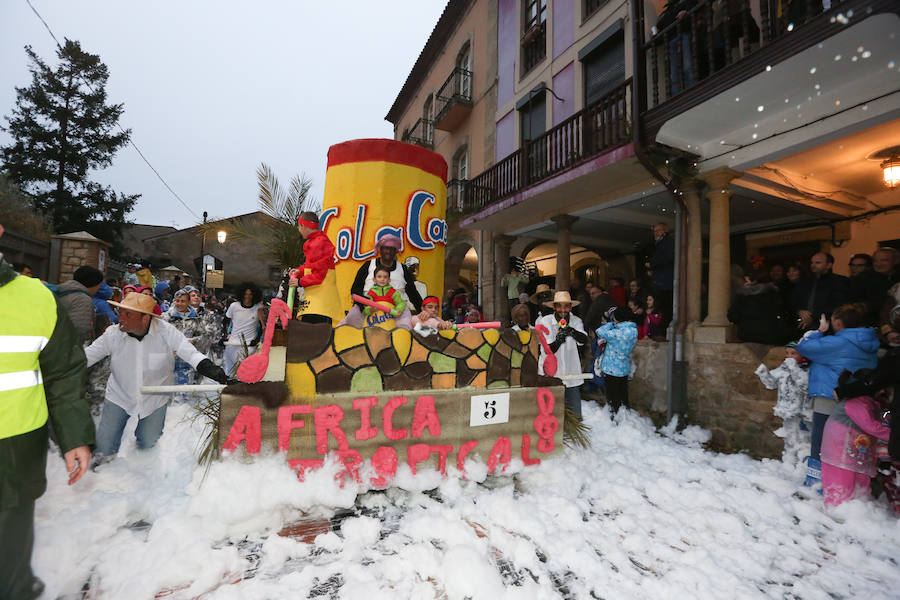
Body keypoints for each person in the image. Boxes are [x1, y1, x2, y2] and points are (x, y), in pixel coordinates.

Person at [0, 226, 94, 600]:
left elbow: (64, 372)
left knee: (10, 546)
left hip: (14, 446)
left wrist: (74, 436)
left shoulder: (36, 297)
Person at [86, 292, 230, 462]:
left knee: (147, 444)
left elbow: (191, 354)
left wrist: (216, 373)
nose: (120, 317)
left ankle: (140, 474)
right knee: (104, 446)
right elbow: (86, 357)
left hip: (154, 398)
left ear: (145, 318)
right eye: (120, 312)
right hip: (119, 395)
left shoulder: (166, 332)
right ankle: (100, 475)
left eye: (127, 313)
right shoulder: (113, 334)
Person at [796, 302, 879, 484]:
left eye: (832, 321)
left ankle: (817, 483)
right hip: (858, 399)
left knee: (821, 441)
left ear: (838, 323)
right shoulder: (869, 341)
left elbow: (803, 347)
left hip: (829, 395)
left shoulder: (838, 342)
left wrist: (819, 331)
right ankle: (850, 482)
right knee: (851, 443)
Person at [820, 371, 892, 508]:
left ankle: (858, 511)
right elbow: (872, 426)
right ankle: (836, 510)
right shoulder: (854, 403)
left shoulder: (871, 403)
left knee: (860, 485)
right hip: (839, 454)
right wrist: (894, 436)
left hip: (856, 453)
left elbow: (882, 420)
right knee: (841, 484)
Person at [343, 234, 422, 329]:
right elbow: (356, 289)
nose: (388, 251)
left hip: (396, 313)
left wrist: (423, 310)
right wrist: (365, 306)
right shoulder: (368, 265)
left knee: (405, 332)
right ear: (380, 250)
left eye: (391, 249)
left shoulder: (403, 269)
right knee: (349, 326)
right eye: (385, 248)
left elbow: (413, 293)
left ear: (396, 251)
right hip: (369, 310)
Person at [755, 342, 811, 470]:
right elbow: (772, 384)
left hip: (803, 411)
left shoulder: (807, 368)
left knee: (804, 440)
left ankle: (803, 467)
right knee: (790, 437)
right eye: (787, 353)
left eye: (793, 353)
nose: (789, 356)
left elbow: (805, 386)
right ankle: (789, 464)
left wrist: (795, 369)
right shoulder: (784, 368)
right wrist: (764, 374)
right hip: (787, 410)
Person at [536, 291, 588, 418]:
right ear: (554, 307)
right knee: (550, 412)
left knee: (574, 412)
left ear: (571, 307)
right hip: (552, 374)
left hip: (571, 371)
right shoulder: (546, 321)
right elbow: (548, 349)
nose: (563, 310)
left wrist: (571, 331)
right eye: (559, 306)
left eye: (566, 306)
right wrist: (559, 340)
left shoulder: (576, 321)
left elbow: (583, 340)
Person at [290, 212, 344, 324]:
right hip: (316, 301)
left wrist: (299, 281)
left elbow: (319, 275)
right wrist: (300, 271)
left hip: (320, 304)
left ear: (303, 226)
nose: (299, 230)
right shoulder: (316, 242)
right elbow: (313, 267)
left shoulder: (318, 243)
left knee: (313, 337)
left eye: (299, 227)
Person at [594, 306, 639, 414]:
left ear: (617, 318)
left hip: (611, 368)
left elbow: (599, 331)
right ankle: (626, 417)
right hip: (624, 368)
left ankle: (614, 418)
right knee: (623, 394)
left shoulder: (616, 333)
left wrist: (610, 323)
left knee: (612, 397)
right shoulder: (633, 330)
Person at [790, 252, 849, 331]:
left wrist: (813, 316)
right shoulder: (804, 282)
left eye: (817, 263)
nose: (813, 265)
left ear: (829, 265)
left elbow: (838, 304)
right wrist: (799, 310)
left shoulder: (839, 281)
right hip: (803, 325)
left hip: (828, 326)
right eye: (812, 262)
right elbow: (793, 300)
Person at [727, 270, 786, 344]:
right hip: (771, 334)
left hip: (747, 334)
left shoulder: (743, 295)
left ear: (750, 280)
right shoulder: (773, 293)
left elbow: (732, 316)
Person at [223, 282, 264, 376]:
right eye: (245, 294)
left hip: (249, 346)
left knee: (246, 373)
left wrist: (257, 339)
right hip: (232, 344)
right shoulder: (234, 306)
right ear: (241, 294)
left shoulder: (258, 308)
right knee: (230, 372)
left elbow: (262, 326)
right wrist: (224, 336)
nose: (248, 297)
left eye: (250, 294)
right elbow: (225, 321)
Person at [164, 288, 200, 394]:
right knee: (167, 394)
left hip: (187, 362)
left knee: (184, 394)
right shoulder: (166, 318)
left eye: (183, 301)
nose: (179, 304)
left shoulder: (196, 319)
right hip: (169, 360)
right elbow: (160, 337)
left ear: (188, 302)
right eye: (177, 301)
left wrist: (193, 341)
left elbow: (203, 338)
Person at [56, 265, 104, 344]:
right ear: (93, 283)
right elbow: (81, 328)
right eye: (99, 284)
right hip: (66, 347)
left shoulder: (64, 291)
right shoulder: (83, 299)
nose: (99, 287)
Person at [645, 223, 675, 327]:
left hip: (666, 282)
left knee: (665, 306)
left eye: (658, 230)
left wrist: (652, 264)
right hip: (661, 282)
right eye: (655, 231)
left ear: (665, 231)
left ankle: (664, 329)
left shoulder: (667, 242)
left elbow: (668, 258)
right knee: (662, 306)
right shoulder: (660, 243)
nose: (656, 233)